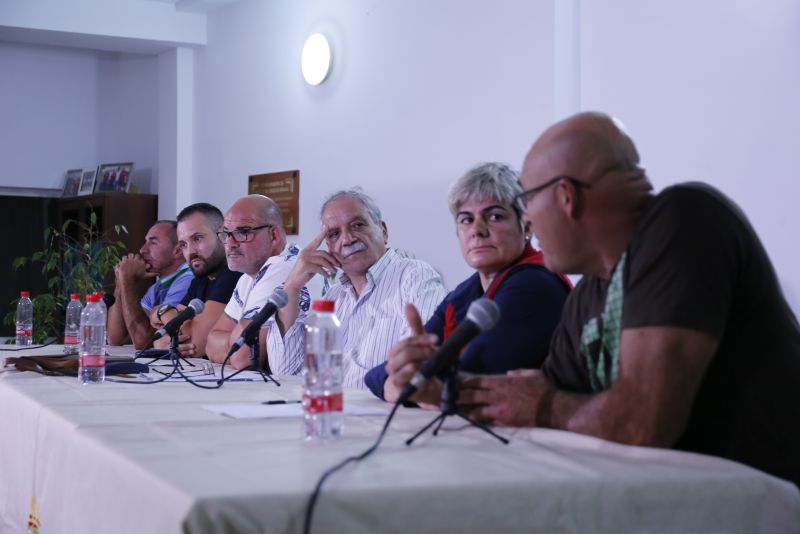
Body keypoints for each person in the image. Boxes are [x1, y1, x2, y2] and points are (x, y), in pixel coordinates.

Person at [449, 111, 800, 488]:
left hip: (767, 504)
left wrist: (545, 406)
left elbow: (643, 421)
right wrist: (435, 385)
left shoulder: (685, 221)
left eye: (527, 201)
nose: (529, 221)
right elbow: (533, 393)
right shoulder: (588, 292)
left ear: (567, 197)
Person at [366, 163, 571, 405]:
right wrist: (404, 385)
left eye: (494, 216)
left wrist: (411, 387)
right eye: (466, 219)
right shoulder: (466, 291)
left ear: (526, 226)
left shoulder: (536, 284)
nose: (477, 230)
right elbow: (377, 375)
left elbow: (466, 379)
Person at [271, 188, 448, 389]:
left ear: (383, 231)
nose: (347, 239)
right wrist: (292, 285)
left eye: (357, 225)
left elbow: (416, 367)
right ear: (328, 247)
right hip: (331, 406)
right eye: (334, 234)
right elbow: (285, 371)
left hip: (385, 407)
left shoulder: (414, 276)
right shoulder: (334, 296)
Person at [206, 195, 309, 371]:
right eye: (226, 233)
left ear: (273, 235)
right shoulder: (249, 276)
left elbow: (241, 358)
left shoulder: (281, 267)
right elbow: (210, 343)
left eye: (243, 232)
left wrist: (232, 342)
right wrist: (233, 342)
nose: (230, 243)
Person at [150, 203, 242, 358]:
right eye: (183, 245)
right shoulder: (201, 279)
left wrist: (162, 314)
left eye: (197, 238)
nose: (190, 251)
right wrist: (163, 323)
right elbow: (169, 332)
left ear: (223, 236)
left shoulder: (233, 273)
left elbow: (195, 344)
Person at [107, 220, 194, 348]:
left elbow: (144, 340)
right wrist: (121, 282)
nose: (142, 250)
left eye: (153, 242)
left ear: (178, 250)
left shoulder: (188, 280)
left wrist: (127, 280)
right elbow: (116, 338)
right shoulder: (157, 287)